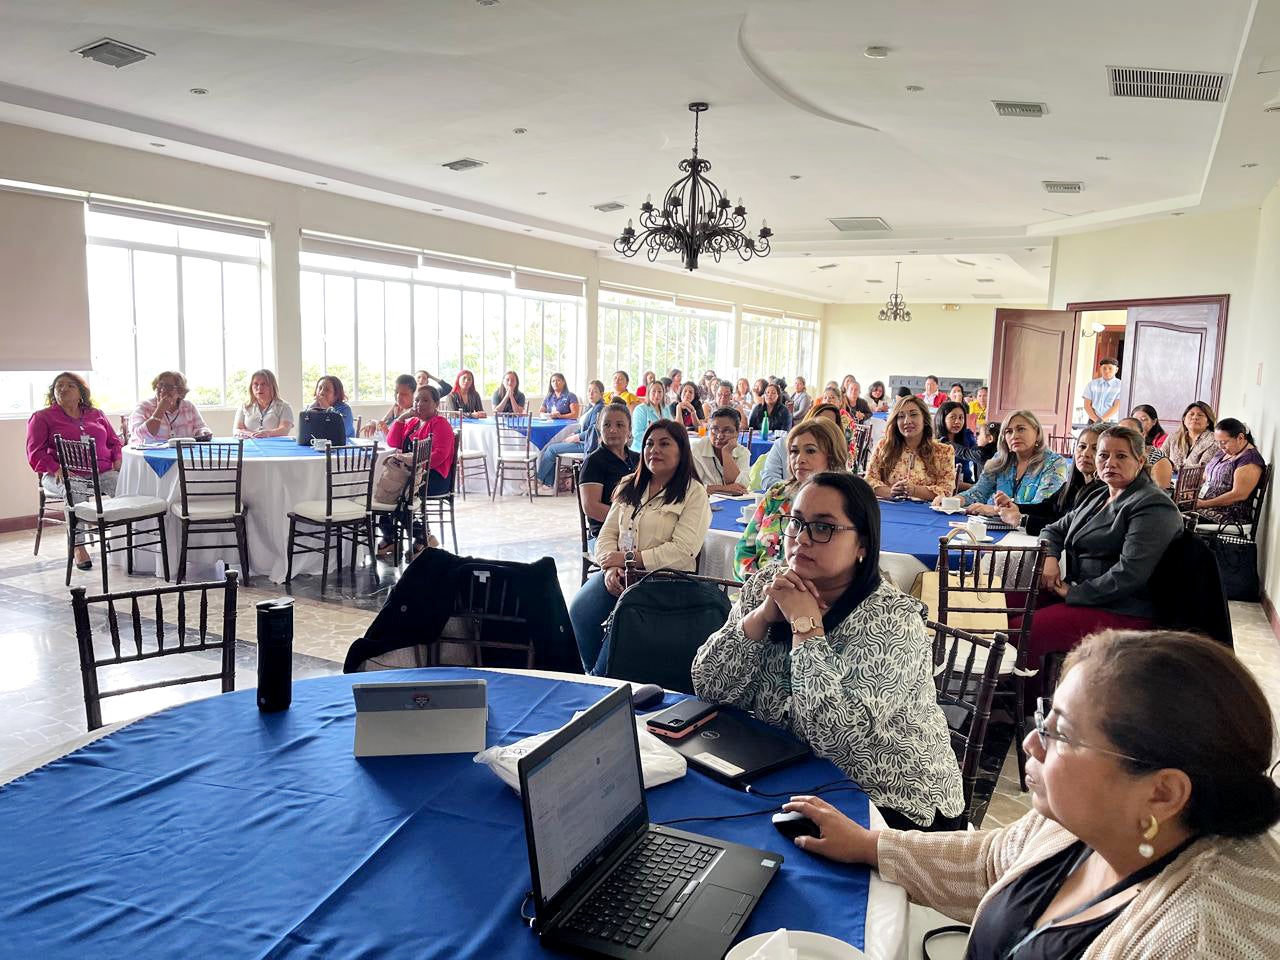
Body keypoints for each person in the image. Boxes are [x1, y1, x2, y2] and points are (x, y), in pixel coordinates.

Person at [781, 629, 1280, 955]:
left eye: (1060, 732)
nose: (1032, 742)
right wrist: (871, 845)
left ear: (1163, 793)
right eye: (1047, 715)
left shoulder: (1200, 939)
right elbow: (993, 859)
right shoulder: (1086, 821)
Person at [696, 472, 965, 831]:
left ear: (862, 545)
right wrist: (762, 616)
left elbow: (835, 734)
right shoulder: (768, 584)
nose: (802, 539)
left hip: (890, 802)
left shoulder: (893, 618)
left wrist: (806, 626)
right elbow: (707, 685)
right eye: (796, 523)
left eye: (823, 528)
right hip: (789, 777)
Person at [1021, 425, 1182, 666]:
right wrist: (1050, 559)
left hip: (1124, 608)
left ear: (1140, 461)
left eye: (1121, 456)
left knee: (1022, 631)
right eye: (1103, 455)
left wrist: (1074, 593)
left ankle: (1024, 701)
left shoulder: (1152, 505)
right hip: (1082, 590)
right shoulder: (1099, 495)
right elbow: (1053, 529)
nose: (1110, 463)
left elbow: (1130, 574)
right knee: (1002, 606)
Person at [568, 420, 711, 673]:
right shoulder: (629, 484)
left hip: (663, 580)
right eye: (649, 444)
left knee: (622, 625)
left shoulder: (694, 493)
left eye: (664, 444)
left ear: (681, 451)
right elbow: (607, 534)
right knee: (580, 610)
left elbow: (682, 552)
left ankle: (602, 681)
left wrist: (627, 560)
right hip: (619, 575)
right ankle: (593, 676)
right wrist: (610, 567)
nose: (654, 450)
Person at [26, 372, 123, 570]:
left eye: (70, 385)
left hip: (101, 471)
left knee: (124, 485)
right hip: (59, 474)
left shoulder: (96, 414)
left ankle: (120, 541)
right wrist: (57, 469)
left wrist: (117, 459)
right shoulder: (42, 417)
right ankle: (78, 546)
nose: (63, 389)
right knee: (75, 488)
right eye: (59, 385)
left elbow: (114, 441)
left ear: (81, 393)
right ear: (53, 392)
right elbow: (35, 453)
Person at [735, 418, 847, 580]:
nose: (799, 459)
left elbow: (842, 566)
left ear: (831, 456)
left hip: (813, 596)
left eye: (810, 451)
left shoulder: (843, 501)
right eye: (794, 451)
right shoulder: (777, 493)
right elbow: (744, 549)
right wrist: (758, 584)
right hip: (757, 590)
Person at [377, 385, 456, 557]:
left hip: (433, 477)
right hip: (411, 475)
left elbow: (440, 455)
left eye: (425, 400)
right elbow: (392, 442)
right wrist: (402, 417)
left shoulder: (440, 424)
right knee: (385, 487)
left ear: (436, 403)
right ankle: (392, 536)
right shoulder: (413, 422)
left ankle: (420, 537)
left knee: (399, 491)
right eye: (417, 400)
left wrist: (415, 462)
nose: (420, 404)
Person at [946, 409, 1069, 516]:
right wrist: (955, 500)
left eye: (1021, 429)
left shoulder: (1055, 464)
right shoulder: (1000, 458)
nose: (1014, 436)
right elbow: (979, 491)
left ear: (1037, 433)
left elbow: (1042, 508)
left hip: (1028, 532)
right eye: (1008, 431)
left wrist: (996, 510)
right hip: (992, 526)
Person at [998, 422, 1106, 536]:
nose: (1086, 453)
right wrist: (1013, 506)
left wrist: (1022, 520)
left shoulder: (1101, 492)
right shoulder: (1073, 485)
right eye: (1082, 446)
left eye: (1095, 448)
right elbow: (1046, 508)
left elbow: (1068, 528)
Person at [865, 396, 956, 500]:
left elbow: (947, 490)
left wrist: (913, 490)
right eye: (901, 416)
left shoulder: (944, 451)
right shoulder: (884, 446)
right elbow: (869, 480)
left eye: (913, 414)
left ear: (925, 419)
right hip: (890, 509)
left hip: (926, 513)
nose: (907, 421)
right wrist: (891, 492)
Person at [578, 403, 639, 548]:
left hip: (636, 531)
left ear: (629, 430)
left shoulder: (638, 460)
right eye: (606, 425)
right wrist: (629, 521)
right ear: (600, 429)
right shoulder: (593, 462)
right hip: (604, 534)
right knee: (625, 563)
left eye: (619, 425)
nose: (612, 430)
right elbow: (591, 507)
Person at [1194, 418, 1266, 525]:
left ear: (1240, 437)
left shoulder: (1250, 460)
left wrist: (1203, 504)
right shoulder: (1224, 452)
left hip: (1227, 516)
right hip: (1205, 507)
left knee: (1173, 516)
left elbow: (1238, 494)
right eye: (1218, 442)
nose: (1221, 446)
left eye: (1224, 442)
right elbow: (1206, 476)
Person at [536, 380, 604, 488]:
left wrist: (576, 437)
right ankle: (548, 484)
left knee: (551, 449)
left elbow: (594, 431)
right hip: (583, 440)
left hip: (588, 444)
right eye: (589, 391)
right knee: (551, 447)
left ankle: (538, 480)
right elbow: (583, 427)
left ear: (601, 394)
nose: (590, 394)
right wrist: (573, 433)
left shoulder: (599, 408)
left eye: (594, 391)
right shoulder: (591, 406)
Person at [129, 370, 212, 444]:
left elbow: (200, 427)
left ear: (180, 392)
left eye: (169, 387)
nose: (163, 389)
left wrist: (203, 432)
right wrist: (160, 409)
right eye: (160, 385)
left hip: (182, 455)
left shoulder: (188, 407)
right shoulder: (144, 406)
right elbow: (141, 436)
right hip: (149, 456)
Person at [691, 407, 750, 495]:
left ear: (738, 433)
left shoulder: (742, 452)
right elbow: (691, 488)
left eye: (727, 430)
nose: (719, 436)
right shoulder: (697, 449)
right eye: (715, 429)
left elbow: (741, 487)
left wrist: (727, 453)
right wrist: (725, 489)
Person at [233, 368, 294, 438]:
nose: (259, 388)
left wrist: (267, 433)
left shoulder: (284, 407)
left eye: (263, 384)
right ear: (251, 387)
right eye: (256, 384)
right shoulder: (244, 406)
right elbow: (237, 430)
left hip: (275, 445)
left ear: (272, 386)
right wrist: (251, 434)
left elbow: (284, 430)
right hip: (249, 444)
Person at [935, 400, 982, 488]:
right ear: (942, 418)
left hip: (966, 484)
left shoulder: (967, 435)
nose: (957, 422)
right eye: (953, 417)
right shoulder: (934, 440)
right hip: (940, 486)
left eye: (961, 418)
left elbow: (977, 456)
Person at [1119, 417, 1173, 491]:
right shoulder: (1116, 455)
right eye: (1121, 434)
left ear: (1143, 434)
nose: (1125, 438)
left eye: (1131, 433)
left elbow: (1160, 494)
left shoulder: (1158, 459)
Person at [1167, 401, 1217, 472]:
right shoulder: (1173, 437)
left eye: (1200, 415)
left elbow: (1202, 468)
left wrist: (1172, 468)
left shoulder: (1214, 440)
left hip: (1197, 482)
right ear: (1184, 419)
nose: (1195, 417)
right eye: (1191, 414)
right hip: (1168, 480)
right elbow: (1159, 459)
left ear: (1208, 422)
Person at [630, 378, 667, 453]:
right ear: (648, 393)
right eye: (653, 391)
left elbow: (671, 428)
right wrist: (657, 440)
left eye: (660, 392)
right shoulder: (640, 409)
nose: (657, 395)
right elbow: (637, 434)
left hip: (661, 447)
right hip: (642, 449)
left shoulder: (666, 409)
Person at [1082, 357, 1123, 423]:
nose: (1107, 371)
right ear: (1101, 369)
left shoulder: (1121, 385)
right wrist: (1096, 420)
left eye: (1110, 368)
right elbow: (1087, 405)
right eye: (1104, 368)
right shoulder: (1092, 384)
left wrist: (1102, 420)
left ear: (1116, 370)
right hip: (1093, 421)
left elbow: (1116, 406)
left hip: (1111, 422)